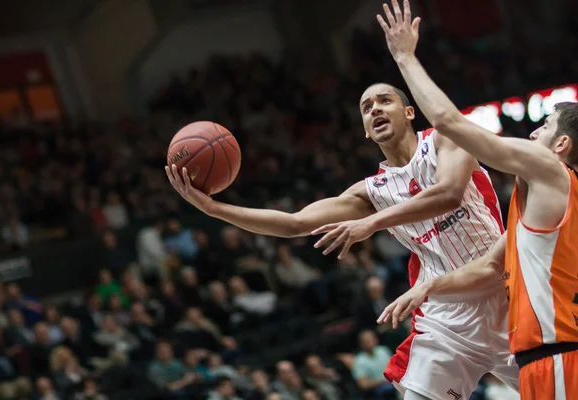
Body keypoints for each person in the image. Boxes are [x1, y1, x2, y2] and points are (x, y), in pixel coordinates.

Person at [165, 61, 517, 400]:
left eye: (384, 100)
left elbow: (448, 194)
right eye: (367, 107)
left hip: (508, 292)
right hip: (447, 314)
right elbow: (294, 223)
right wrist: (213, 209)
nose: (375, 109)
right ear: (364, 129)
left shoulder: (445, 139)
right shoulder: (374, 191)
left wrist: (372, 223)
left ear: (410, 113)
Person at [374, 1, 578, 400]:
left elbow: (450, 123)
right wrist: (426, 288)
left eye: (544, 127)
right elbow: (487, 265)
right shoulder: (541, 204)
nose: (534, 135)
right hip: (540, 360)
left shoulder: (552, 170)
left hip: (559, 356)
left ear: (562, 145)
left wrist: (404, 57)